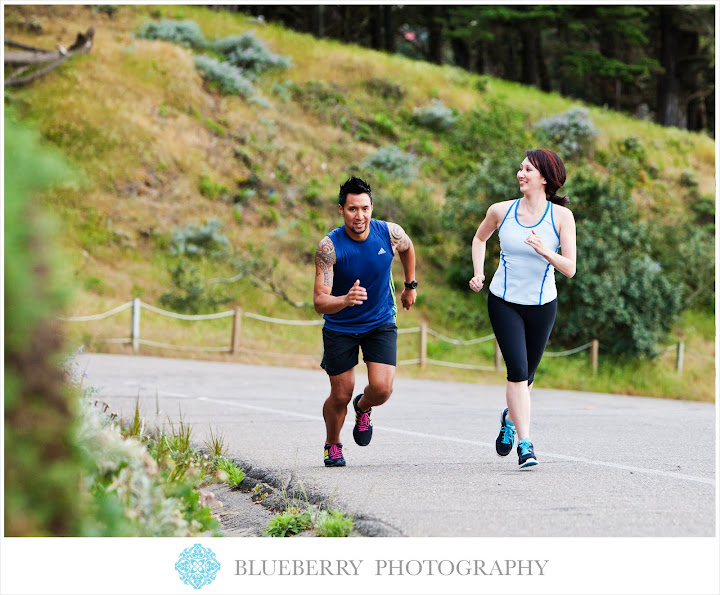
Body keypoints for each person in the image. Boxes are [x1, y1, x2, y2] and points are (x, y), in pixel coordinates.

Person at [469, 149, 576, 468]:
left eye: (527, 169)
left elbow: (570, 268)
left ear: (544, 177)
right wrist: (478, 273)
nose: (521, 174)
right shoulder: (501, 211)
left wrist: (546, 251)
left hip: (543, 305)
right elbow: (479, 238)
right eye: (520, 168)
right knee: (516, 371)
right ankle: (525, 444)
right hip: (504, 301)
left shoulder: (561, 217)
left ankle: (510, 417)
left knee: (527, 377)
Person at [313, 176, 417, 467]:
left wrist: (410, 285)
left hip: (380, 321)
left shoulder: (390, 233)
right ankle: (332, 444)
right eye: (352, 209)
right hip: (340, 327)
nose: (359, 216)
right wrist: (344, 300)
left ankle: (364, 406)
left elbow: (408, 248)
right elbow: (320, 300)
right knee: (340, 393)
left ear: (372, 208)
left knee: (382, 389)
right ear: (341, 210)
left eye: (364, 208)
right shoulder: (329, 247)